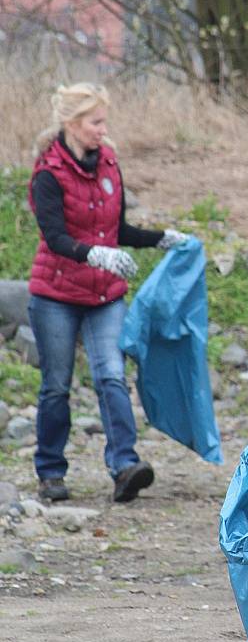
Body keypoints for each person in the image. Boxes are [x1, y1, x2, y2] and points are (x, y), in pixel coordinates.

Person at [28, 82, 188, 504]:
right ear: (72, 123)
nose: (103, 129)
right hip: (55, 296)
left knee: (111, 376)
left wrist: (161, 238)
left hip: (104, 296)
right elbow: (56, 237)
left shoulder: (109, 163)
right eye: (96, 122)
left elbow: (116, 229)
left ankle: (124, 465)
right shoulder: (48, 172)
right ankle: (50, 473)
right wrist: (96, 254)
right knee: (56, 386)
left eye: (104, 121)